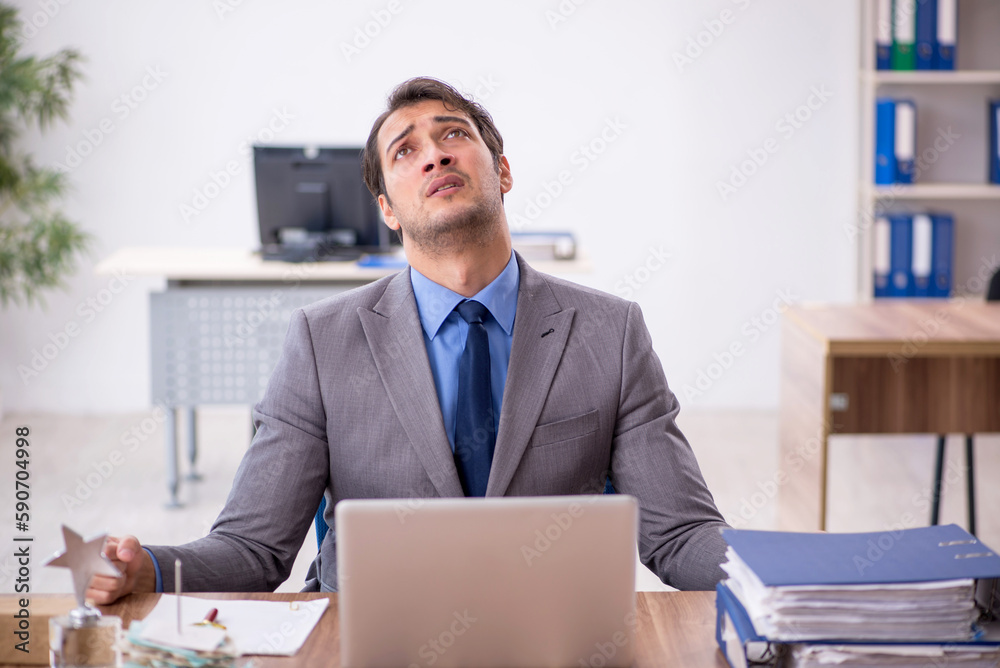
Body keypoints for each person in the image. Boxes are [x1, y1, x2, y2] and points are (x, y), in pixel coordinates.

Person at [88, 77, 729, 603]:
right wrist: (150, 568)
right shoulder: (321, 341)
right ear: (388, 210)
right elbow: (254, 550)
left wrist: (790, 573)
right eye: (405, 150)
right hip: (373, 637)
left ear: (502, 171)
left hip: (556, 636)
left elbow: (680, 535)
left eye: (454, 134)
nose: (435, 153)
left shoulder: (609, 332)